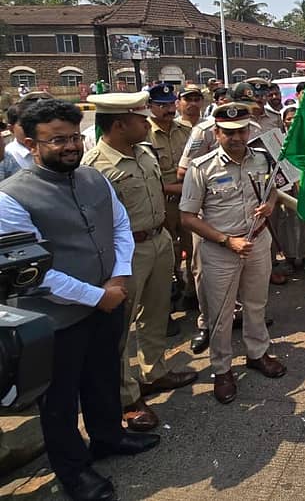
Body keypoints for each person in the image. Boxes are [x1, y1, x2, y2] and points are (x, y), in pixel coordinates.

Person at [0, 99, 159, 501]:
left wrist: (120, 275)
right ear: (32, 144)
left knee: (103, 378)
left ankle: (108, 438)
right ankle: (73, 472)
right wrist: (97, 296)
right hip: (55, 318)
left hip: (108, 299)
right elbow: (30, 271)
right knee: (60, 402)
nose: (70, 146)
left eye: (73, 137)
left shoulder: (93, 177)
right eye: (57, 140)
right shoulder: (10, 197)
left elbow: (120, 224)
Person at [83, 91, 198, 431]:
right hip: (125, 253)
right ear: (119, 124)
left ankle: (155, 372)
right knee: (120, 329)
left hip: (158, 240)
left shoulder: (143, 152)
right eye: (139, 118)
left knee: (157, 312)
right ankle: (127, 396)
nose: (146, 123)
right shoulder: (95, 168)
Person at [180, 103, 286, 404]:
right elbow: (188, 217)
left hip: (257, 242)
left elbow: (274, 190)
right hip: (221, 249)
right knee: (222, 313)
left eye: (240, 131)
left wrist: (271, 204)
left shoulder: (264, 159)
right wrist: (227, 241)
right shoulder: (202, 167)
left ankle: (257, 353)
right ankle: (222, 369)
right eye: (228, 132)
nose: (235, 137)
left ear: (248, 131)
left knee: (256, 304)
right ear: (216, 133)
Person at [146, 83, 196, 307]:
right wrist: (168, 189)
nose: (168, 109)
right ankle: (169, 293)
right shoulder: (142, 134)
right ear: (150, 107)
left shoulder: (186, 131)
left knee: (192, 248)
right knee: (167, 254)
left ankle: (191, 292)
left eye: (170, 104)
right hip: (160, 203)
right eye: (161, 105)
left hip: (187, 200)